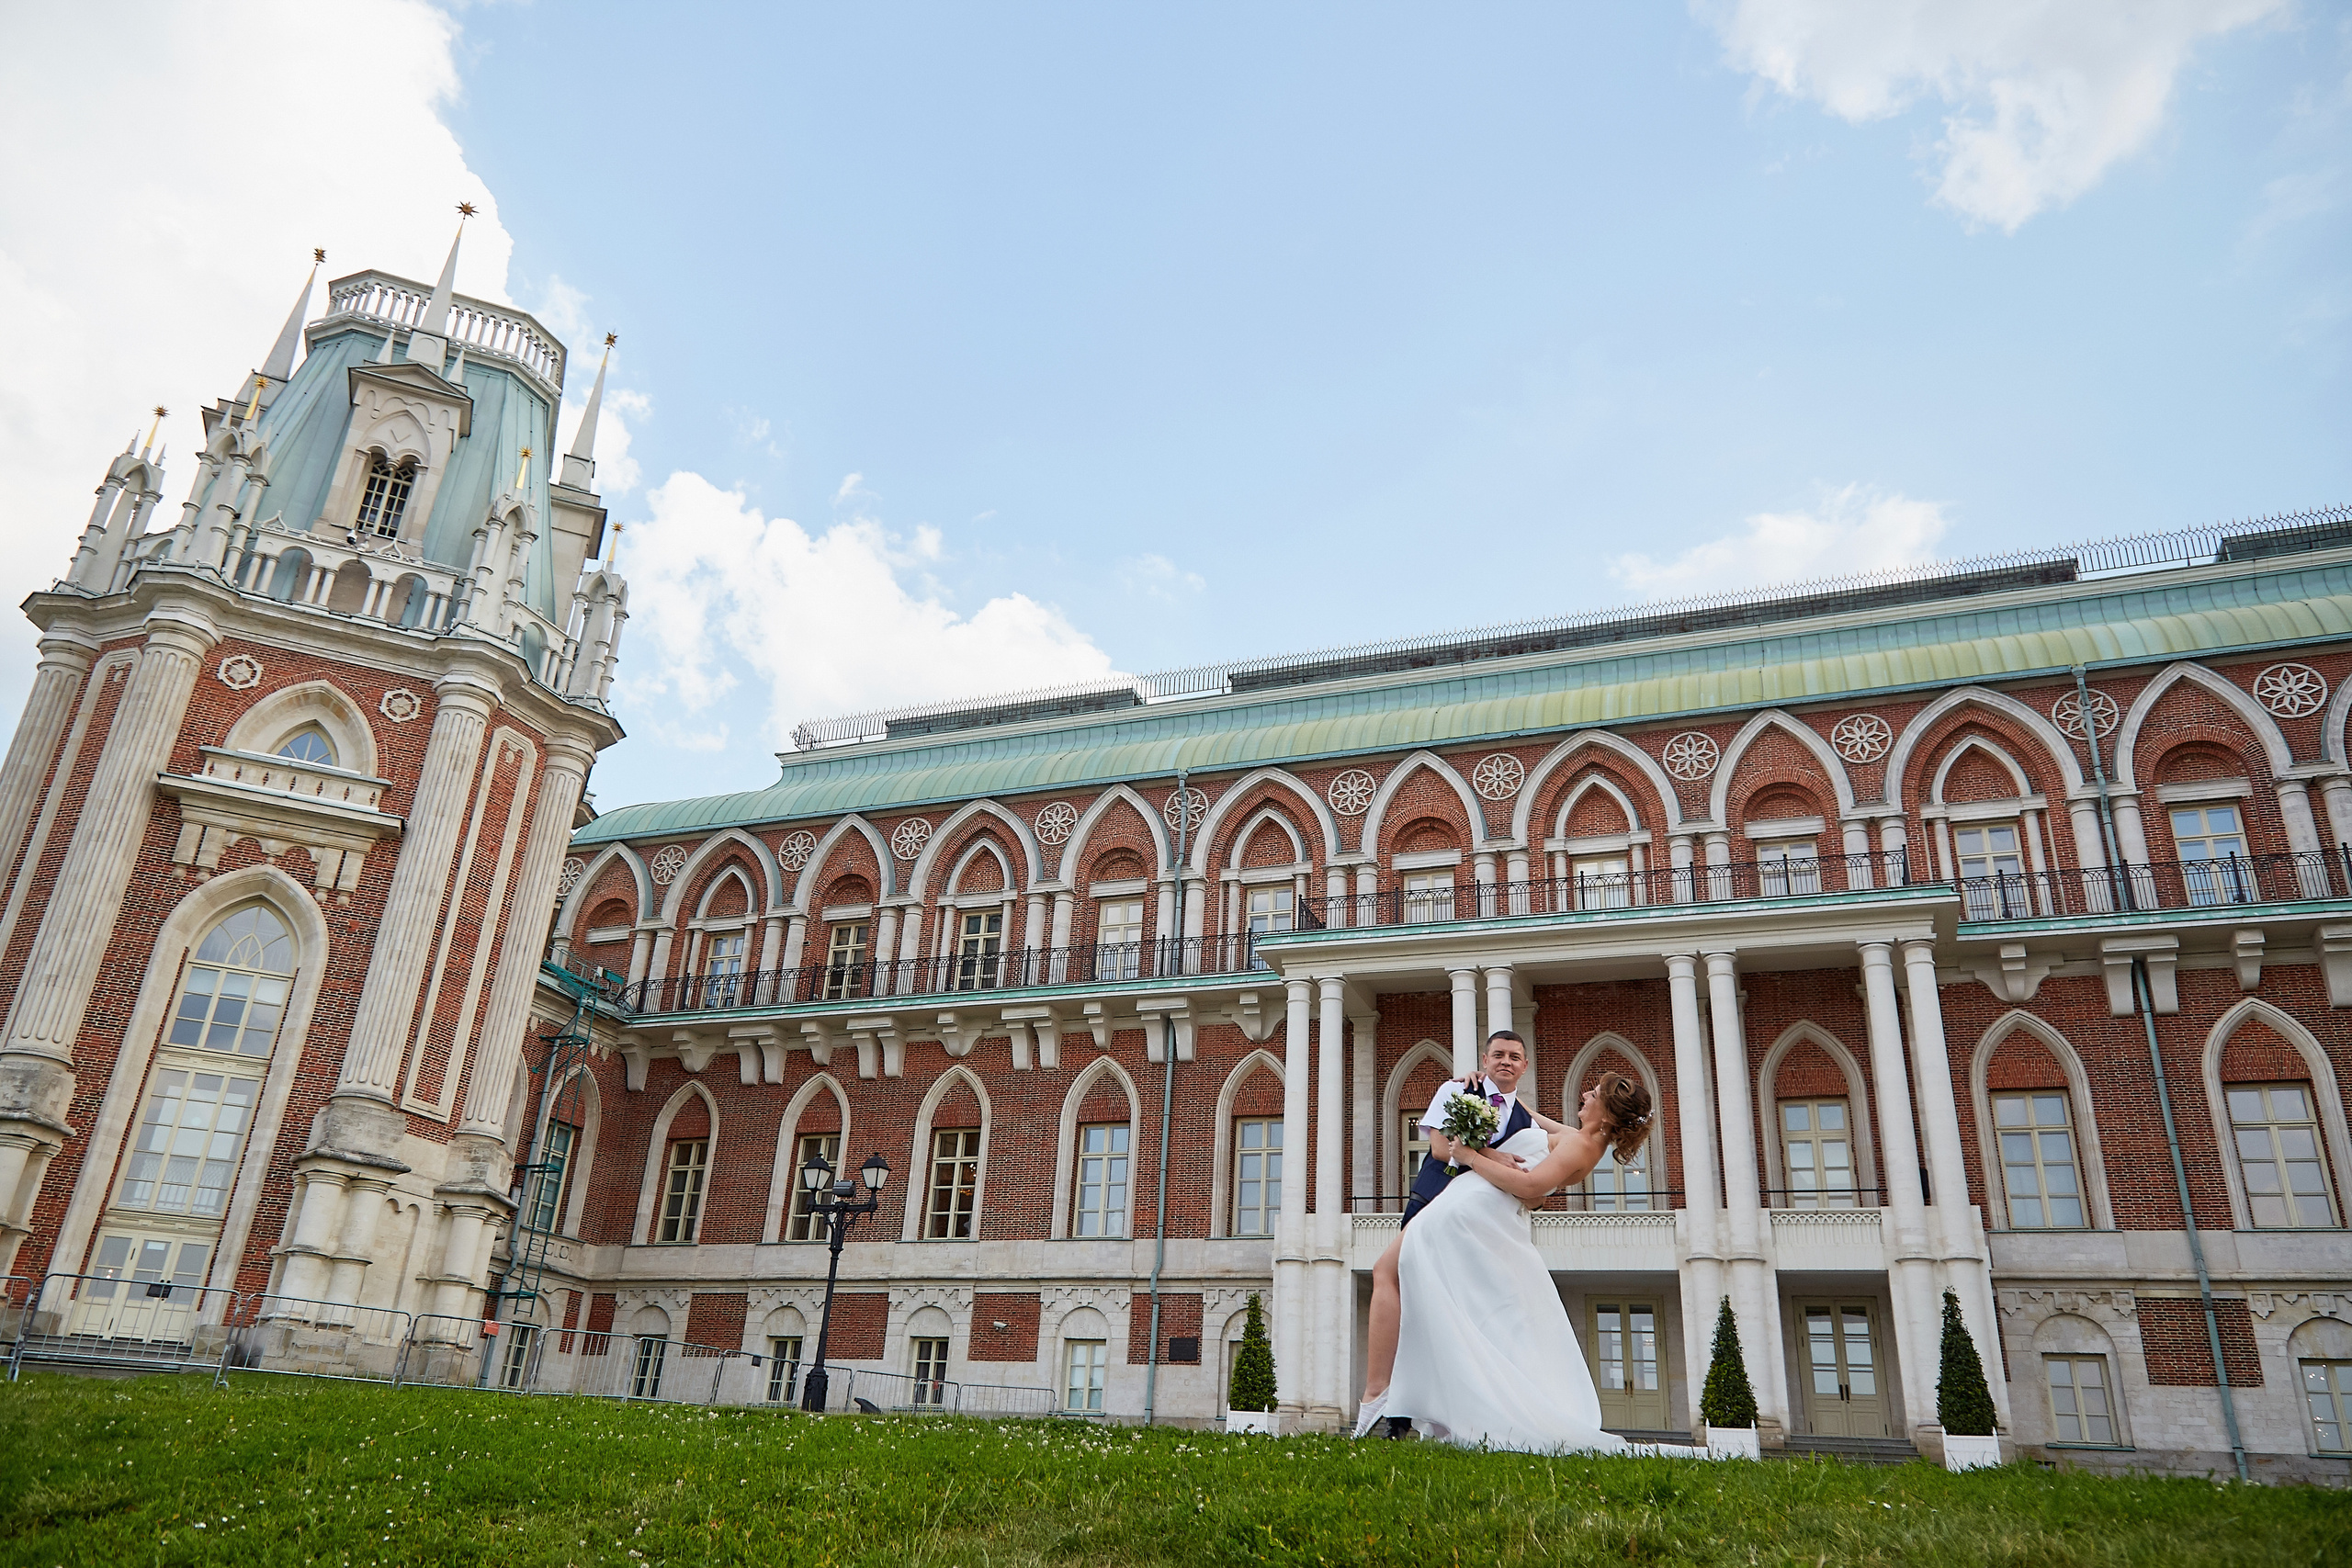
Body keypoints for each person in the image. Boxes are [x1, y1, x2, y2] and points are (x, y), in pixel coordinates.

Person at [1381, 1071, 1691, 1454]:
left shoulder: (1581, 1148)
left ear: (1607, 1115)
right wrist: (1484, 1086)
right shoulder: (1580, 1138)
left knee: (1441, 1296)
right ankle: (1427, 1402)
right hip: (1469, 1207)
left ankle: (1429, 1403)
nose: (1585, 1093)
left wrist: (1469, 1156)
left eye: (1594, 1094)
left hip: (1472, 1213)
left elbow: (1530, 1187)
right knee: (1448, 1298)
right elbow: (1527, 1115)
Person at [1353, 1030, 1566, 1438]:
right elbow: (1438, 1148)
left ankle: (1438, 1410)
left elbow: (1567, 1139)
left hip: (1476, 1220)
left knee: (1453, 1306)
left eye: (1514, 1057)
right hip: (1433, 1200)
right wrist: (1491, 1154)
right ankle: (1394, 1413)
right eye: (1498, 1055)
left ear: (1525, 1066)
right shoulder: (1457, 1090)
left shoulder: (1522, 1115)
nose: (1505, 1061)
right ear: (1484, 1060)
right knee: (1406, 1291)